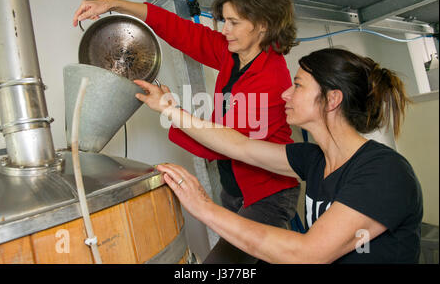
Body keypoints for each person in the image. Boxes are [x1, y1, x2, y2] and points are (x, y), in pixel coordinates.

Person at [73, 0, 301, 263]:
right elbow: (178, 29)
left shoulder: (271, 77)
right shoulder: (233, 53)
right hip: (235, 190)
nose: (224, 30)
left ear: (263, 24)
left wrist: (170, 109)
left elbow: (225, 144)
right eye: (224, 21)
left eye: (234, 22)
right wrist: (113, 4)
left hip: (268, 194)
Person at [135, 48, 423, 263]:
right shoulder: (315, 159)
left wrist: (204, 207)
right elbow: (239, 146)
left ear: (332, 99)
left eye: (297, 85)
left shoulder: (384, 172)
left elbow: (308, 253)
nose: (285, 94)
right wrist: (168, 109)